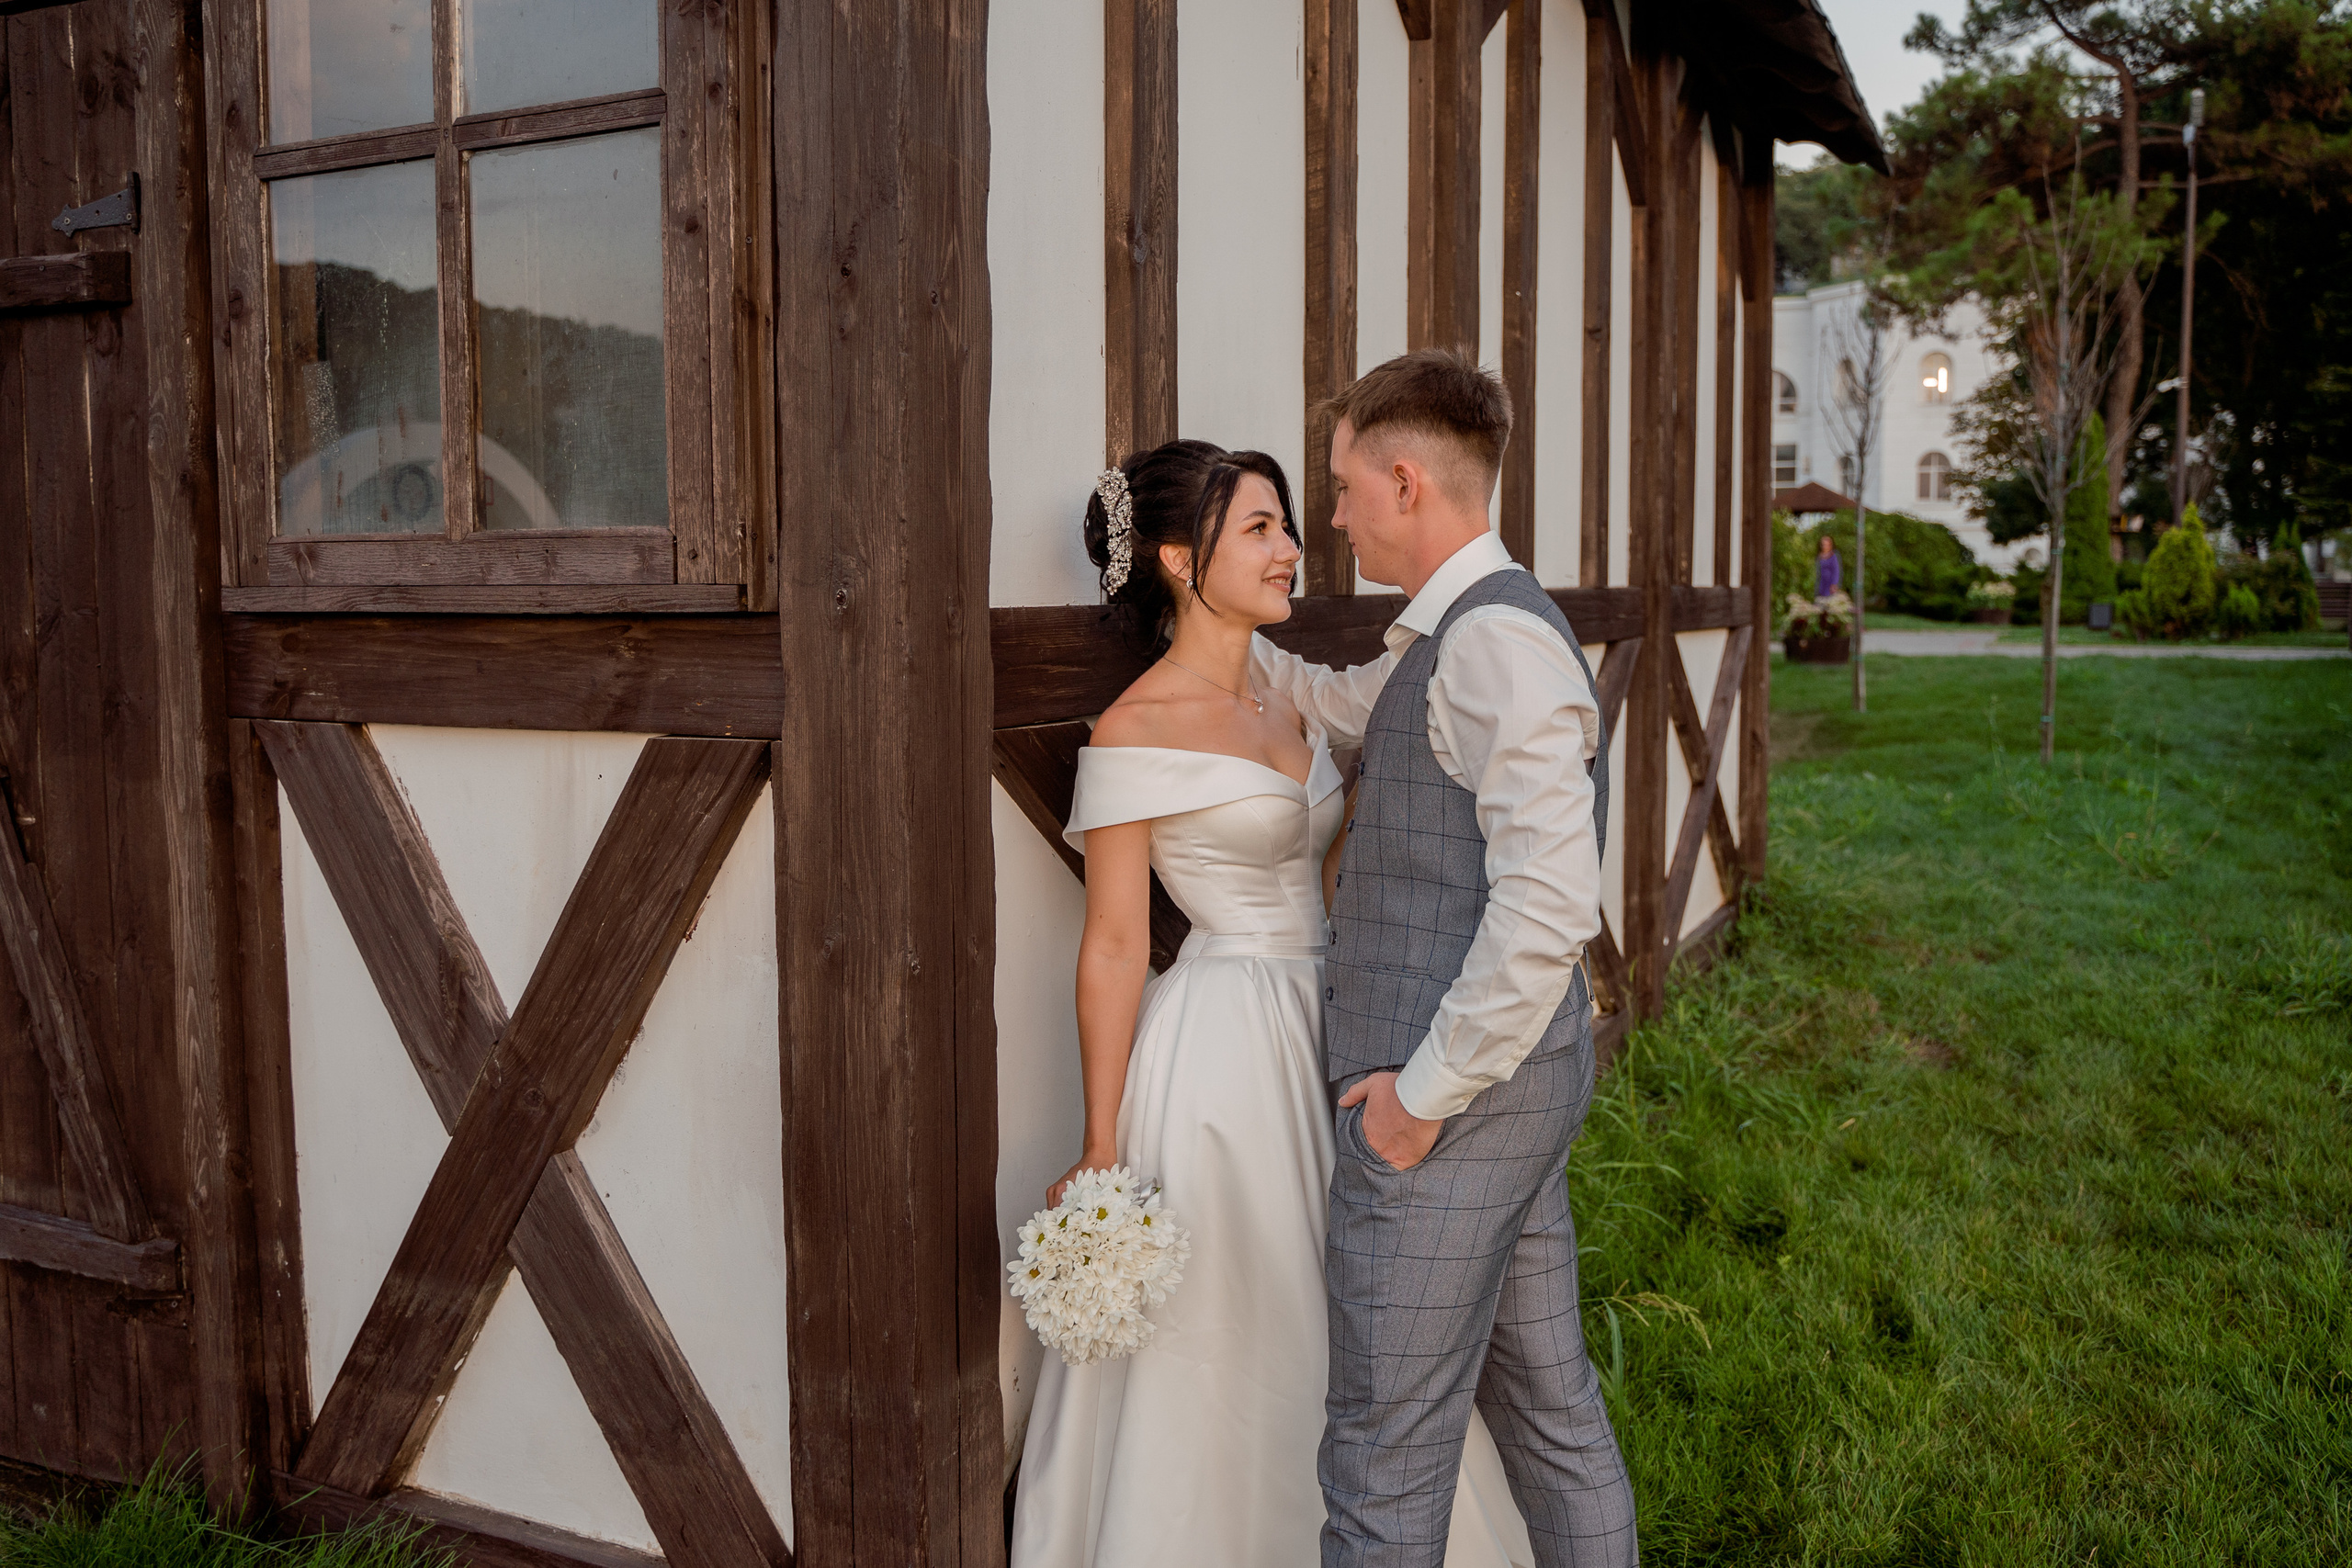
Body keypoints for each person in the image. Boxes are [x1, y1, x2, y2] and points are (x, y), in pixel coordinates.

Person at [1009, 440, 1532, 1568]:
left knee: (1362, 1303)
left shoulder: (1287, 696)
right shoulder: (1134, 729)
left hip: (1335, 1022)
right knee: (1257, 1308)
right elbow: (1113, 947)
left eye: (1287, 523)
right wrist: (1099, 1143)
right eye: (1259, 528)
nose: (1291, 547)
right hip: (1224, 1051)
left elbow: (1329, 862)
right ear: (1176, 559)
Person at [1312, 350, 1634, 1567]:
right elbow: (1348, 707)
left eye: (1343, 488)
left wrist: (1416, 1102)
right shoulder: (1451, 633)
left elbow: (1548, 908)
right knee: (1551, 1410)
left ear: (1404, 482)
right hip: (1512, 1092)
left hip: (1452, 1106)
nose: (1334, 518)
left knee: (1382, 1460)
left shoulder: (1492, 642)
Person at [1815, 532, 1842, 599]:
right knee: (1820, 600)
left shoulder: (1833, 556)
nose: (1825, 546)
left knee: (1829, 601)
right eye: (1823, 545)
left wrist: (1834, 584)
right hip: (1821, 583)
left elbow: (1836, 571)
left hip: (1830, 583)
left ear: (1830, 545)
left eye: (1827, 545)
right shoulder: (1819, 556)